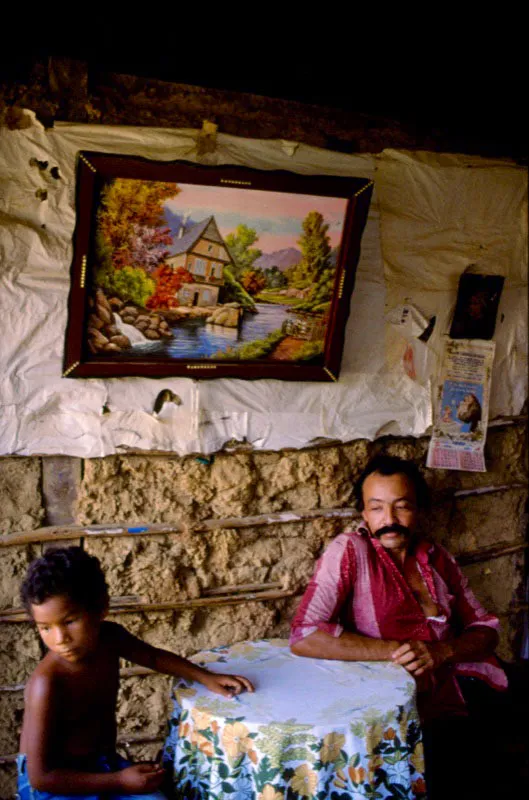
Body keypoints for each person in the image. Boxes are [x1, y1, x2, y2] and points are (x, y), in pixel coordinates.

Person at [290, 454, 508, 798]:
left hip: (462, 692)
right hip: (404, 711)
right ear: (364, 513)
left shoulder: (437, 559)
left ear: (418, 509)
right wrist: (399, 651)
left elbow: (486, 629)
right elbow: (305, 635)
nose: (389, 519)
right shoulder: (351, 551)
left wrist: (442, 650)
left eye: (401, 506)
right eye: (376, 508)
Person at [18, 546, 254, 800]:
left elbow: (153, 657)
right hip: (56, 786)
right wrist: (119, 781)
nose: (60, 639)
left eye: (69, 621)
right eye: (45, 628)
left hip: (100, 765)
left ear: (101, 609)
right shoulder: (48, 683)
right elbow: (41, 777)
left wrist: (205, 677)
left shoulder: (109, 638)